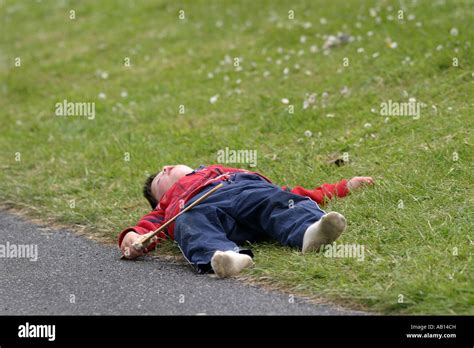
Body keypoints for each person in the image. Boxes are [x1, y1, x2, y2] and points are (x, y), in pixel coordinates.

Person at [118, 164, 374, 278]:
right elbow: (145, 230)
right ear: (161, 198)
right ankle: (228, 257)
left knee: (276, 199)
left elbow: (298, 194)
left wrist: (344, 186)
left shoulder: (223, 172)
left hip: (245, 193)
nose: (164, 169)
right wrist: (133, 240)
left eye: (168, 168)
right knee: (188, 224)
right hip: (202, 212)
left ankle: (310, 232)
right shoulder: (169, 207)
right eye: (159, 181)